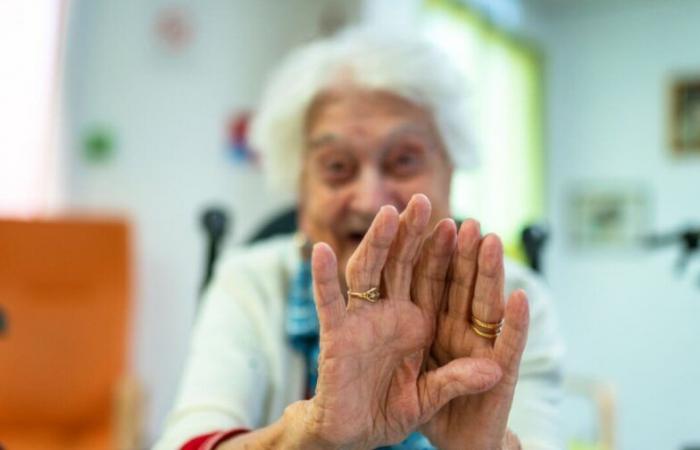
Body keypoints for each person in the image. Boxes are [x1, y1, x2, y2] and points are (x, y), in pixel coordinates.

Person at [154, 28, 564, 450]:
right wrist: (311, 434)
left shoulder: (510, 299)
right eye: (336, 166)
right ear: (300, 183)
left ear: (451, 170)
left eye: (404, 161)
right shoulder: (249, 282)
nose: (371, 202)